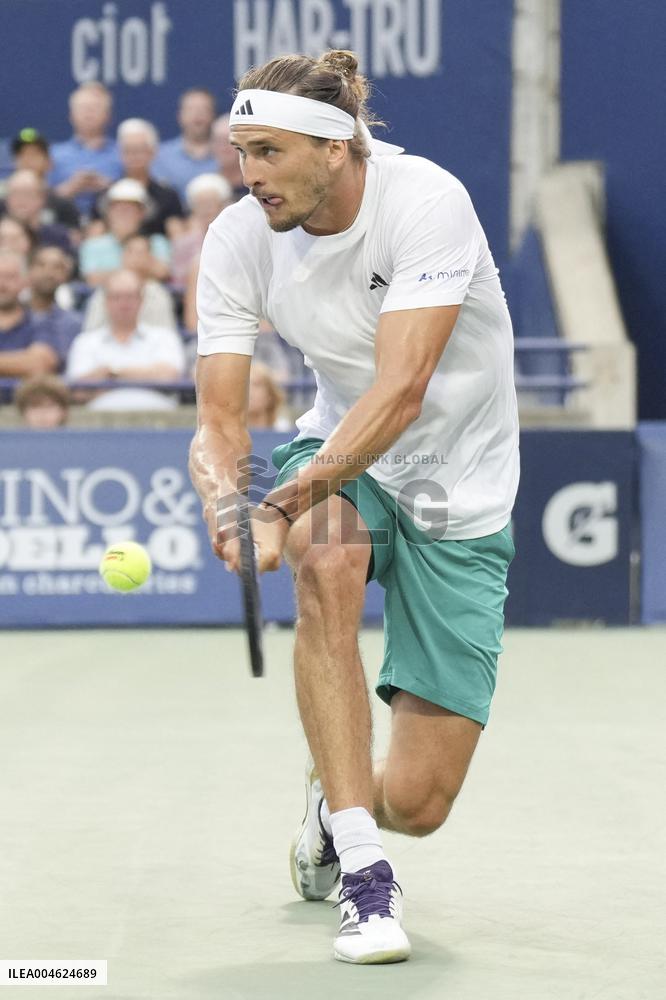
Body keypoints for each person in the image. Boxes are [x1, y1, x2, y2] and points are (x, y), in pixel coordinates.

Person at [190, 51, 519, 966]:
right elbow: (217, 419)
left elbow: (402, 390)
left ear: (335, 150)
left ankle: (344, 811)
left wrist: (279, 502)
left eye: (267, 150)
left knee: (418, 802)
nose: (248, 173)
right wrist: (228, 503)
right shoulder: (238, 237)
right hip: (345, 456)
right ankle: (368, 883)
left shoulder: (425, 201)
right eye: (240, 150)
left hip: (462, 484)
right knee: (325, 557)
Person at [66, 267, 185, 411]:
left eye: (130, 297)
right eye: (117, 297)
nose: (124, 303)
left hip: (160, 419)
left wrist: (111, 373)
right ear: (106, 301)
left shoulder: (164, 337)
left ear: (141, 300)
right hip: (98, 422)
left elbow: (169, 376)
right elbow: (78, 391)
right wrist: (146, 375)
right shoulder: (85, 342)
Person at [91, 119, 184, 238]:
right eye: (128, 150)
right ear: (120, 153)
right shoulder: (105, 196)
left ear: (153, 152)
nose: (134, 156)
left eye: (140, 150)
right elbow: (94, 238)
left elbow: (178, 238)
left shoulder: (168, 197)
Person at [49, 82, 123, 218]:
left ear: (108, 116)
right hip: (62, 224)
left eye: (95, 108)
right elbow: (40, 199)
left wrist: (108, 188)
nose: (88, 114)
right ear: (71, 115)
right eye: (83, 108)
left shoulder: (123, 154)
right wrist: (71, 187)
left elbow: (138, 192)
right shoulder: (52, 154)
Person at [79, 179, 171, 285]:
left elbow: (162, 273)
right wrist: (139, 268)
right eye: (119, 209)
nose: (124, 215)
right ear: (108, 213)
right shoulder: (92, 245)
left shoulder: (157, 242)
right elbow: (92, 279)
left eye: (130, 210)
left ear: (142, 214)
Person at [82, 235, 177, 332]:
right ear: (122, 256)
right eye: (130, 252)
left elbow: (167, 335)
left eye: (140, 253)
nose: (135, 258)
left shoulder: (159, 294)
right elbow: (91, 332)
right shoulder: (104, 291)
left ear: (150, 258)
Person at [0, 249, 65, 376]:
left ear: (25, 281)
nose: (1, 284)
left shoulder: (41, 322)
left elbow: (40, 364)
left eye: (9, 277)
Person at [3, 129, 80, 232]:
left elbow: (74, 236)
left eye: (34, 154)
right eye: (22, 155)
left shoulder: (62, 205)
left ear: (49, 162)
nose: (28, 160)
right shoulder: (3, 202)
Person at [153, 88, 218, 200]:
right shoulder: (160, 156)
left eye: (204, 109)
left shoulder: (228, 153)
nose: (197, 115)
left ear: (213, 115)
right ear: (179, 116)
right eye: (191, 109)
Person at [170, 173, 232, 289]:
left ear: (223, 206)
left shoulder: (236, 240)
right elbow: (178, 280)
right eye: (200, 204)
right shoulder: (184, 243)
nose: (206, 210)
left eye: (210, 204)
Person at [2, 170, 73, 253]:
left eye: (27, 194)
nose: (20, 200)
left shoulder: (57, 236)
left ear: (42, 198)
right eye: (14, 194)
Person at [27, 245, 81, 352]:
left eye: (57, 267)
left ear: (66, 276)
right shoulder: (9, 315)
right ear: (29, 270)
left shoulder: (74, 323)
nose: (48, 273)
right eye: (41, 265)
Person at [211, 114, 247, 200]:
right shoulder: (207, 186)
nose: (224, 148)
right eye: (219, 141)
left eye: (230, 142)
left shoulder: (256, 184)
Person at [247, 360, 288, 429]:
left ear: (270, 395)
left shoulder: (283, 429)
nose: (250, 390)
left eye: (257, 384)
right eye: (245, 385)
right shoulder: (229, 432)